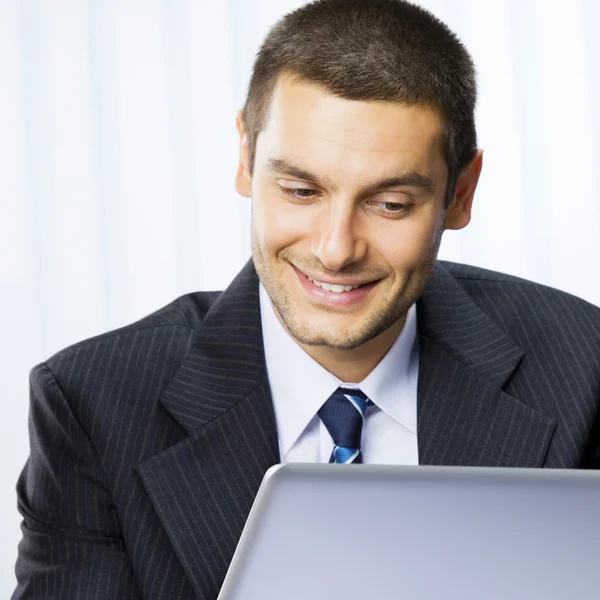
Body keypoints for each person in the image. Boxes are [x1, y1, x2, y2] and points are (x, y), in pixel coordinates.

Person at [13, 0, 600, 598]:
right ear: (246, 157)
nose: (335, 249)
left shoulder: (585, 364)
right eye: (300, 189)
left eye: (390, 204)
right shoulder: (92, 404)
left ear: (460, 194)